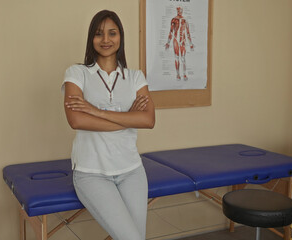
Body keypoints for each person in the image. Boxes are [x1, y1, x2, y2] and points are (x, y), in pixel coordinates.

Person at [62, 10, 155, 240]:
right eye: (98, 34)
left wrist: (95, 111)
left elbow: (148, 120)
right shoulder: (77, 73)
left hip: (132, 170)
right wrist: (128, 117)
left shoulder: (135, 77)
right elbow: (76, 120)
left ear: (120, 37)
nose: (105, 40)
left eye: (112, 33)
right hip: (91, 173)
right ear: (91, 39)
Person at [165, 6, 194, 81]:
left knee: (183, 58)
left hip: (183, 41)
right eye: (178, 10)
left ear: (182, 11)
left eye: (180, 10)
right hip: (176, 41)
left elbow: (188, 32)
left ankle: (184, 74)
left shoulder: (185, 20)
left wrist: (190, 44)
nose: (179, 11)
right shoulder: (174, 20)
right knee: (177, 58)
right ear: (177, 11)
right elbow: (171, 31)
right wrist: (168, 42)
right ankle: (178, 74)